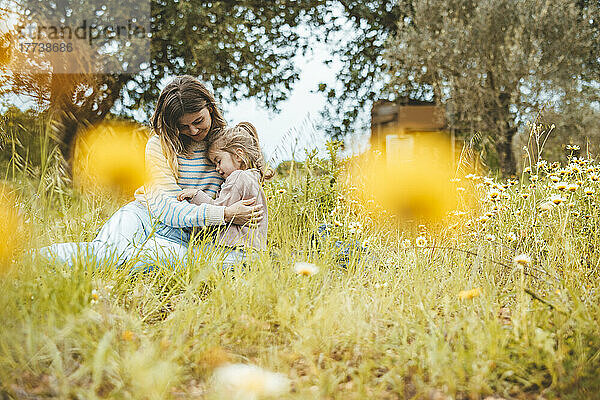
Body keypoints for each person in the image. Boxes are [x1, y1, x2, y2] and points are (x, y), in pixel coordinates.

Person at [40, 75, 264, 270]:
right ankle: (34, 259)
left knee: (135, 262)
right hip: (144, 217)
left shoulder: (223, 146)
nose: (193, 131)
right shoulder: (160, 145)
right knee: (105, 255)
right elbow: (166, 207)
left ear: (210, 108)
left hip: (186, 238)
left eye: (198, 121)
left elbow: (248, 185)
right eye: (183, 126)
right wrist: (223, 214)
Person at [177, 122, 273, 268]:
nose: (217, 169)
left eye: (218, 161)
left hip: (235, 251)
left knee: (188, 259)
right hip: (254, 251)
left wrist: (196, 195)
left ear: (238, 155)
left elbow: (220, 210)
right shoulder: (253, 178)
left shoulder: (237, 178)